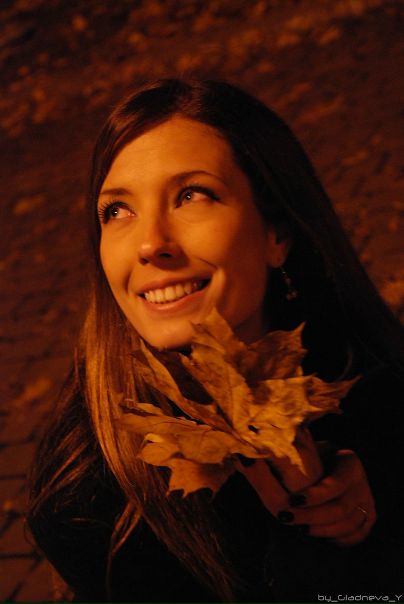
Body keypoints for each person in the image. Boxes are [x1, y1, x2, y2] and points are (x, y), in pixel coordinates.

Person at [28, 79, 404, 604]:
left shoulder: (370, 375)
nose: (150, 243)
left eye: (192, 195)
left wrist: (379, 496)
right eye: (117, 210)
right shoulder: (88, 498)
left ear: (277, 234)